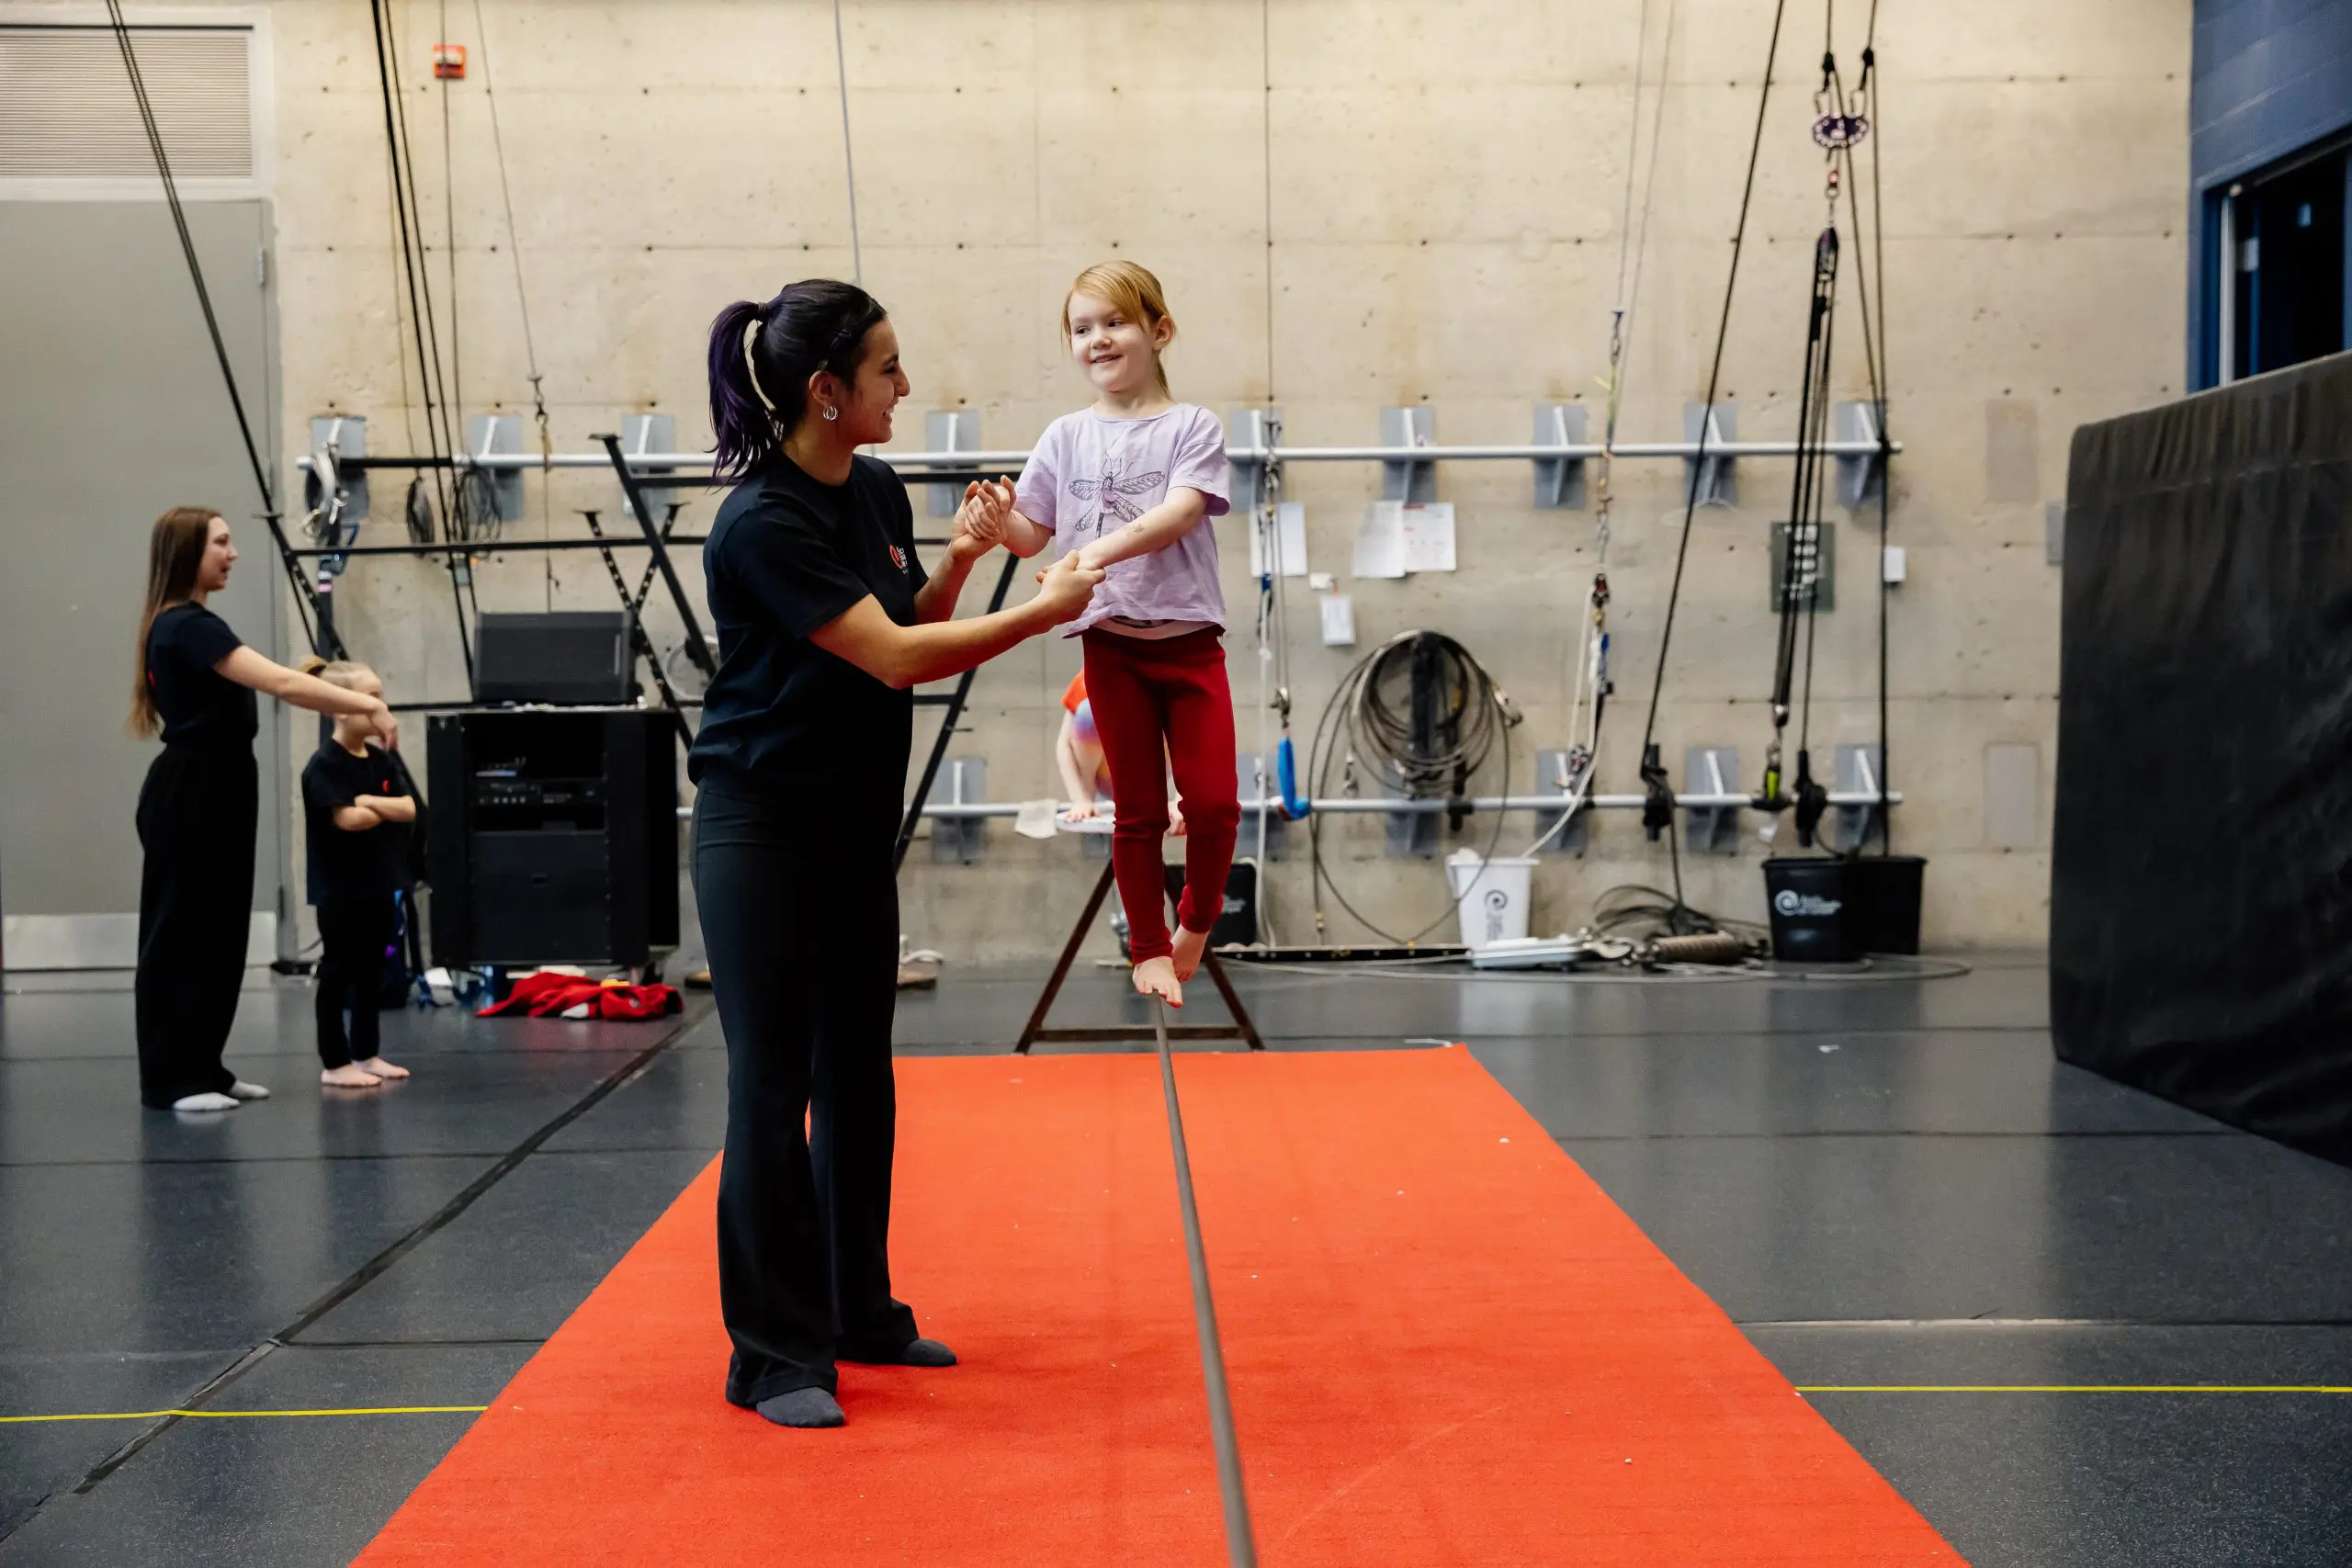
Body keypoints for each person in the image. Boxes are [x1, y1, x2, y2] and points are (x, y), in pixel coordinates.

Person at [692, 279, 1102, 1430]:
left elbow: (905, 615)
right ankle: (772, 1357)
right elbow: (891, 658)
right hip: (761, 830)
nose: (905, 387)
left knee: (856, 1078)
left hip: (848, 826)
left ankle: (855, 1311)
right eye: (885, 370)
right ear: (826, 391)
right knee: (771, 1089)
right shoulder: (761, 522)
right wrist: (1044, 609)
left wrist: (963, 565)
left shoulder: (870, 486)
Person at [965, 260, 1239, 1008]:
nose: (1098, 339)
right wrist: (996, 523)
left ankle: (1197, 920)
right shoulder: (1065, 436)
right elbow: (1033, 534)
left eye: (1115, 322)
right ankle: (1146, 946)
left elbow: (1179, 513)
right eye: (1082, 328)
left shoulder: (1191, 426)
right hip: (1110, 645)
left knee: (1213, 804)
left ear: (1160, 330)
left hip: (1189, 644)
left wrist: (1087, 556)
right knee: (1139, 811)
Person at [130, 507, 400, 1112]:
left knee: (220, 930)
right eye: (221, 543)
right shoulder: (184, 626)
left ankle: (204, 1066)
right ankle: (171, 1080)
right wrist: (366, 704)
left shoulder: (196, 623)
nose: (233, 554)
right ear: (189, 551)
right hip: (193, 789)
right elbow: (283, 683)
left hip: (222, 783)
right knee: (181, 933)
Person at [299, 659, 417, 1090]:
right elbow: (347, 820)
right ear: (339, 708)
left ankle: (366, 1053)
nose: (380, 706)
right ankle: (334, 1061)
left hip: (378, 883)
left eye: (382, 696)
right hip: (340, 889)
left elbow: (409, 808)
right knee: (338, 972)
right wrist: (379, 808)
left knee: (371, 971)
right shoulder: (324, 765)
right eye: (371, 698)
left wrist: (369, 801)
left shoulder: (381, 760)